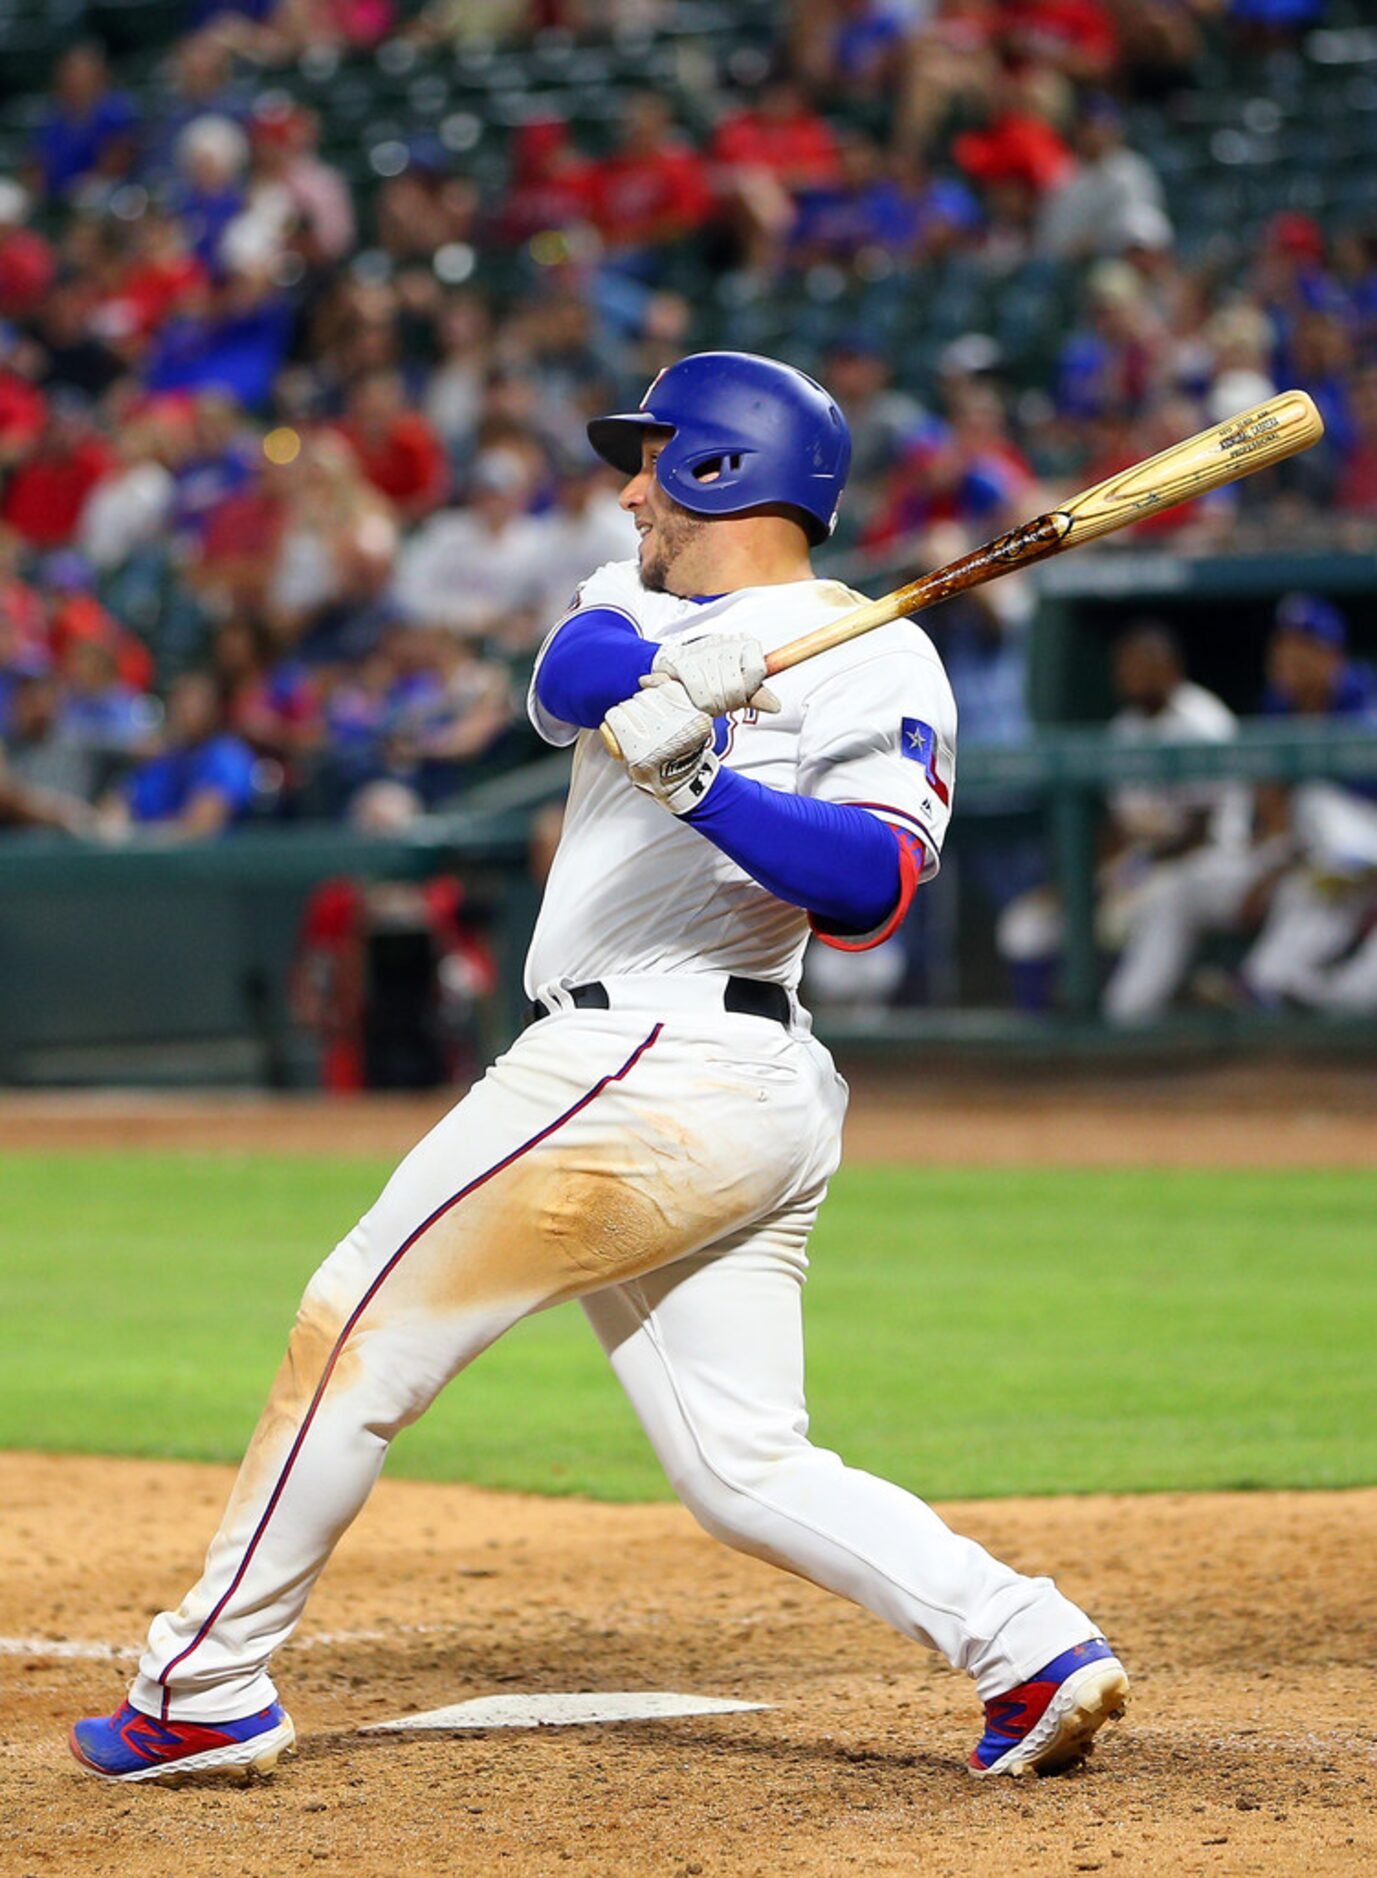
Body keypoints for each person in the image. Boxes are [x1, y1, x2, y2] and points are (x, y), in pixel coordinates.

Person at [70, 351, 1128, 1786]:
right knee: (740, 1464)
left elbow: (872, 885)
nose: (629, 486)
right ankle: (1030, 1645)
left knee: (357, 1326)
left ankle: (203, 1684)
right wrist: (676, 679)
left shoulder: (876, 654)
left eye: (653, 456)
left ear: (720, 468)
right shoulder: (626, 597)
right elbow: (574, 677)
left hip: (656, 1062)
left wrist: (706, 773)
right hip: (697, 1086)